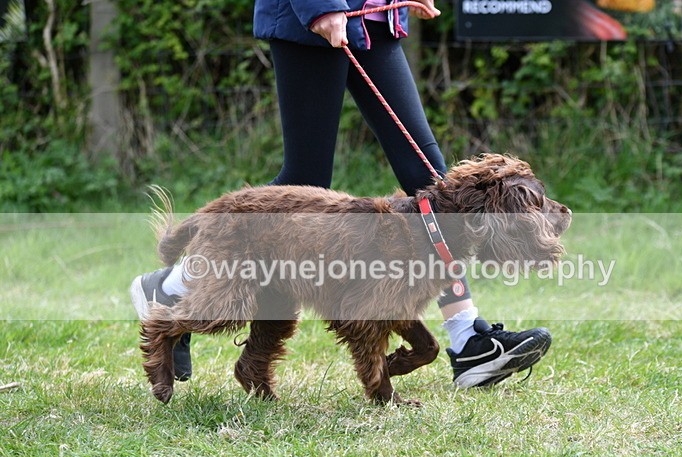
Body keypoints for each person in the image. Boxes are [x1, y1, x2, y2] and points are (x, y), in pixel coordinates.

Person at [131, 0, 552, 389]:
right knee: (308, 174)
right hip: (314, 18)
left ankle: (467, 340)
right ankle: (175, 285)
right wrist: (319, 4)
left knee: (434, 184)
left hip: (375, 16)